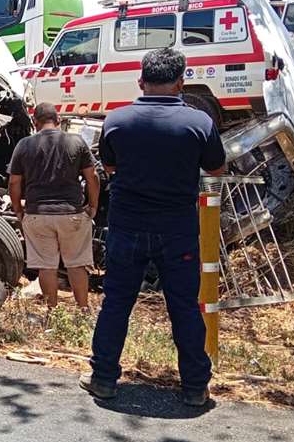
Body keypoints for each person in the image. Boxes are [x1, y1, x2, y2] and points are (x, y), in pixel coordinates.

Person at [80, 48, 226, 407]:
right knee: (184, 307)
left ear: (141, 81)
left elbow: (111, 168)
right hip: (178, 230)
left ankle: (103, 379)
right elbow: (216, 169)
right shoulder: (199, 123)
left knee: (116, 303)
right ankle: (194, 387)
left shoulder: (116, 121)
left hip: (127, 227)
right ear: (181, 81)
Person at [8, 102, 100, 309]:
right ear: (59, 120)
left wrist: (19, 211)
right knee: (77, 264)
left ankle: (52, 312)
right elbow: (92, 177)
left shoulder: (24, 145)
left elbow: (14, 183)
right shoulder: (76, 142)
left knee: (46, 267)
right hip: (72, 214)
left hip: (37, 215)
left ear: (35, 122)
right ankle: (83, 310)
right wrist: (92, 206)